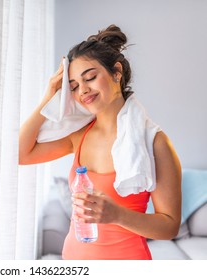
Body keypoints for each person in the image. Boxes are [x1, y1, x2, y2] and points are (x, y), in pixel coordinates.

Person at [19, 25, 182, 260]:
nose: (83, 90)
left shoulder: (154, 142)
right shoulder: (79, 135)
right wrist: (48, 96)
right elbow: (20, 155)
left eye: (91, 78)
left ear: (116, 72)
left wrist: (117, 215)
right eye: (73, 86)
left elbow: (170, 226)